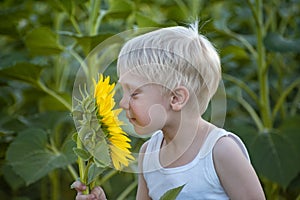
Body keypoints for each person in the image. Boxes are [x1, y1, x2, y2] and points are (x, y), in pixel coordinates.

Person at [72, 23, 265, 200]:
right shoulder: (150, 153)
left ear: (176, 98)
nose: (122, 103)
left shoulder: (220, 151)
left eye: (134, 93)